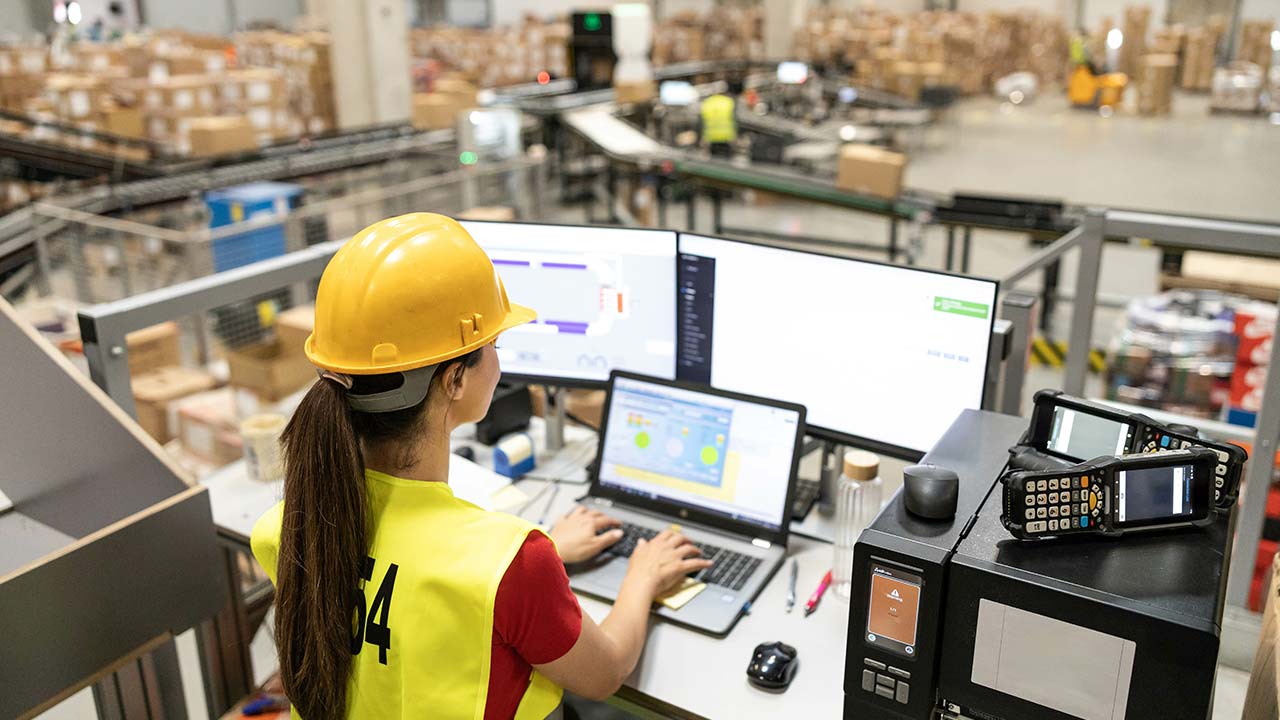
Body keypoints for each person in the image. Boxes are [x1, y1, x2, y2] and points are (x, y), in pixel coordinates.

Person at [250, 213, 711, 720]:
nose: (498, 359)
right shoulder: (513, 562)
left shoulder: (293, 526)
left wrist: (544, 553)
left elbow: (419, 582)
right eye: (493, 344)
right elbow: (605, 674)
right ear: (454, 379)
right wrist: (642, 578)